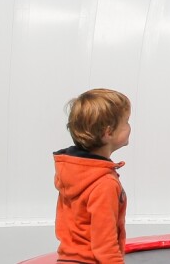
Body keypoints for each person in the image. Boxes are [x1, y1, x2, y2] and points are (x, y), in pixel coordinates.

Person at [53, 88, 131, 264]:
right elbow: (105, 246)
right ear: (108, 133)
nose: (130, 127)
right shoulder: (104, 183)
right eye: (126, 122)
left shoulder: (72, 172)